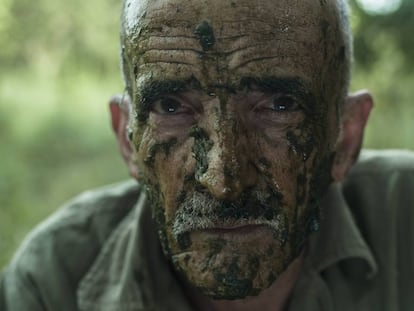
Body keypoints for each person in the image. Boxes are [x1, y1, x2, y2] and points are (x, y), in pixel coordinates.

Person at [1, 0, 414, 310]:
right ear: (128, 139)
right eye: (170, 107)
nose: (223, 180)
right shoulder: (52, 282)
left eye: (281, 105)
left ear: (345, 136)